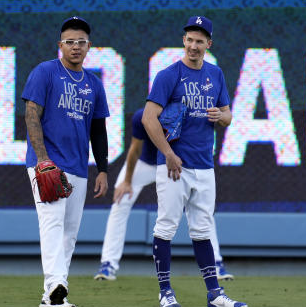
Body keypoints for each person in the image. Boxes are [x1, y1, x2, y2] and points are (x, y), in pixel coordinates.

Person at [141, 15, 247, 307]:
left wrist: (221, 116)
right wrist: (169, 154)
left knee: (202, 230)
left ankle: (215, 295)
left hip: (204, 165)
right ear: (183, 41)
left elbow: (228, 115)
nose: (194, 45)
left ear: (208, 44)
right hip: (175, 165)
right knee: (167, 226)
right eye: (189, 39)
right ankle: (165, 293)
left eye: (200, 40)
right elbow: (149, 118)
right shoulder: (168, 75)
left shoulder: (216, 74)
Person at [22, 16, 110, 307]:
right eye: (70, 42)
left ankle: (57, 287)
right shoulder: (45, 72)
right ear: (60, 45)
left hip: (78, 167)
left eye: (81, 42)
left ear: (89, 46)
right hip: (47, 165)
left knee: (70, 231)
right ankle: (54, 287)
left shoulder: (94, 84)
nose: (76, 47)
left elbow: (98, 130)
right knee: (52, 222)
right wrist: (42, 160)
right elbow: (31, 114)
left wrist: (103, 169)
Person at [94, 108, 235, 281]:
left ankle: (216, 263)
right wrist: (127, 181)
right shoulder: (142, 116)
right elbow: (135, 150)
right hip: (147, 163)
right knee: (120, 202)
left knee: (202, 210)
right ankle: (108, 264)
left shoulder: (188, 113)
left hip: (176, 164)